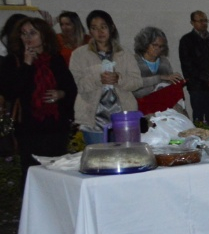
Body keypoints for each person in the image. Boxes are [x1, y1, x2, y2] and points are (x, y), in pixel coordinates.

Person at [0, 17, 77, 187]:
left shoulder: (55, 59)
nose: (27, 37)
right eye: (23, 33)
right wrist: (27, 64)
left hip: (55, 128)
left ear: (43, 36)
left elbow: (71, 88)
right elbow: (10, 92)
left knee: (57, 175)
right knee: (32, 175)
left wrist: (61, 93)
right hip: (29, 130)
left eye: (32, 33)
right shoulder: (13, 61)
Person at [69, 10, 141, 144]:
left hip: (122, 117)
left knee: (125, 157)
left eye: (103, 27)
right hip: (93, 118)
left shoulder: (124, 54)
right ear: (90, 31)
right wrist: (98, 78)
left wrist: (119, 78)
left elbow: (137, 82)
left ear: (111, 28)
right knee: (98, 161)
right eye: (94, 28)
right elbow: (77, 85)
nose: (100, 32)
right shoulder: (79, 55)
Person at [178, 10, 209, 125]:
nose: (204, 23)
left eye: (205, 20)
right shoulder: (186, 40)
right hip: (197, 87)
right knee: (199, 119)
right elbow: (187, 65)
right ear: (192, 22)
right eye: (200, 21)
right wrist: (207, 78)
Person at [132, 26, 185, 114]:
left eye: (161, 46)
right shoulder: (134, 61)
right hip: (142, 109)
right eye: (154, 45)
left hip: (164, 108)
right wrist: (159, 79)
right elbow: (134, 85)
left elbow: (169, 84)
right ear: (145, 44)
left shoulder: (164, 61)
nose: (158, 49)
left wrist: (176, 82)